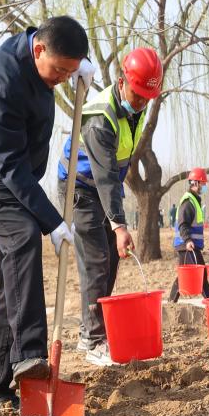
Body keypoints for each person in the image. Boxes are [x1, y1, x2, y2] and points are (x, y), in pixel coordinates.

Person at [0, 16, 92, 406]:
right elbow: (9, 165)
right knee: (23, 236)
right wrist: (52, 220)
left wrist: (83, 65)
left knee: (13, 276)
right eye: (59, 70)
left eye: (71, 71)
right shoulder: (3, 80)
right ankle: (29, 354)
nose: (62, 78)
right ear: (39, 51)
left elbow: (67, 40)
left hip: (11, 173)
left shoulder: (49, 50)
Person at [58, 48, 162, 366]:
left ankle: (94, 329)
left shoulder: (135, 108)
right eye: (138, 94)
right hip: (80, 188)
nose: (142, 102)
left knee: (111, 262)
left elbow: (119, 166)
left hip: (104, 187)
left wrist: (117, 219)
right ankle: (92, 340)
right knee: (97, 260)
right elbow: (103, 177)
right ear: (122, 82)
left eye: (148, 97)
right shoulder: (98, 118)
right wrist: (120, 225)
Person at [169, 167, 209, 301]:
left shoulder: (194, 201)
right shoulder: (188, 202)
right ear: (195, 183)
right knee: (202, 276)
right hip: (187, 246)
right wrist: (188, 240)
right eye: (203, 183)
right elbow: (183, 224)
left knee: (184, 278)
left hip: (189, 246)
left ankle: (171, 303)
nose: (204, 186)